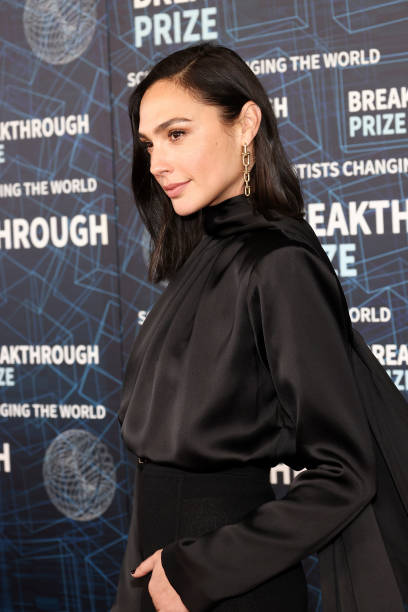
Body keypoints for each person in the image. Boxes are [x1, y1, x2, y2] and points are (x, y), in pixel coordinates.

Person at [112, 43, 408, 612]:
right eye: (148, 144)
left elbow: (345, 472)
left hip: (223, 588)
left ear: (246, 123)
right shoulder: (202, 258)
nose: (155, 164)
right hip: (153, 576)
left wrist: (196, 571)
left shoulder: (278, 264)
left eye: (177, 135)